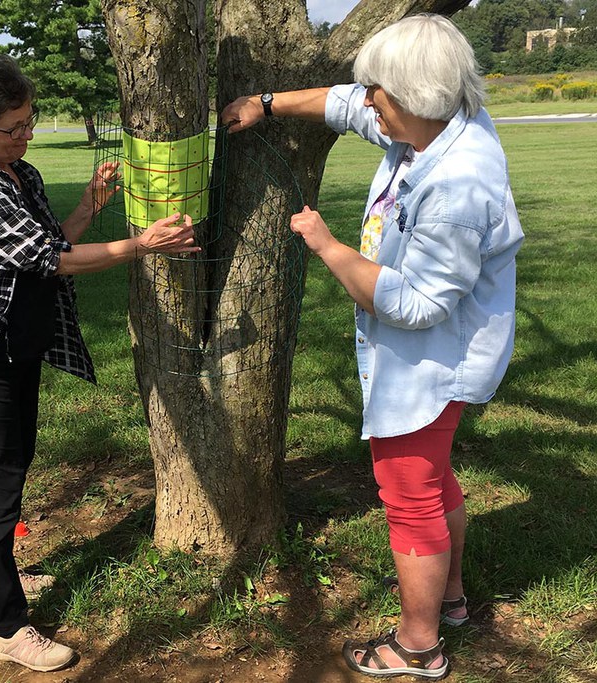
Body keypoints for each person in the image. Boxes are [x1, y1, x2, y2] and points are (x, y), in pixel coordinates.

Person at [221, 14, 523, 680]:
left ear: (413, 96)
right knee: (433, 477)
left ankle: (418, 646)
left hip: (431, 361)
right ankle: (449, 601)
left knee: (410, 492)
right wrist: (266, 104)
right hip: (431, 355)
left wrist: (328, 247)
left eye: (379, 94)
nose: (369, 105)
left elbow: (416, 305)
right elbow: (344, 103)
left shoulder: (458, 183)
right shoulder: (429, 121)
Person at [0, 53, 199, 674]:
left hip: (19, 344)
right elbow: (52, 261)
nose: (26, 135)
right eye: (12, 128)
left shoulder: (18, 172)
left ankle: (1, 574)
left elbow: (55, 241)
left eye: (29, 121)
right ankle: (5, 628)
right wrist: (141, 245)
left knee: (13, 464)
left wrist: (92, 205)